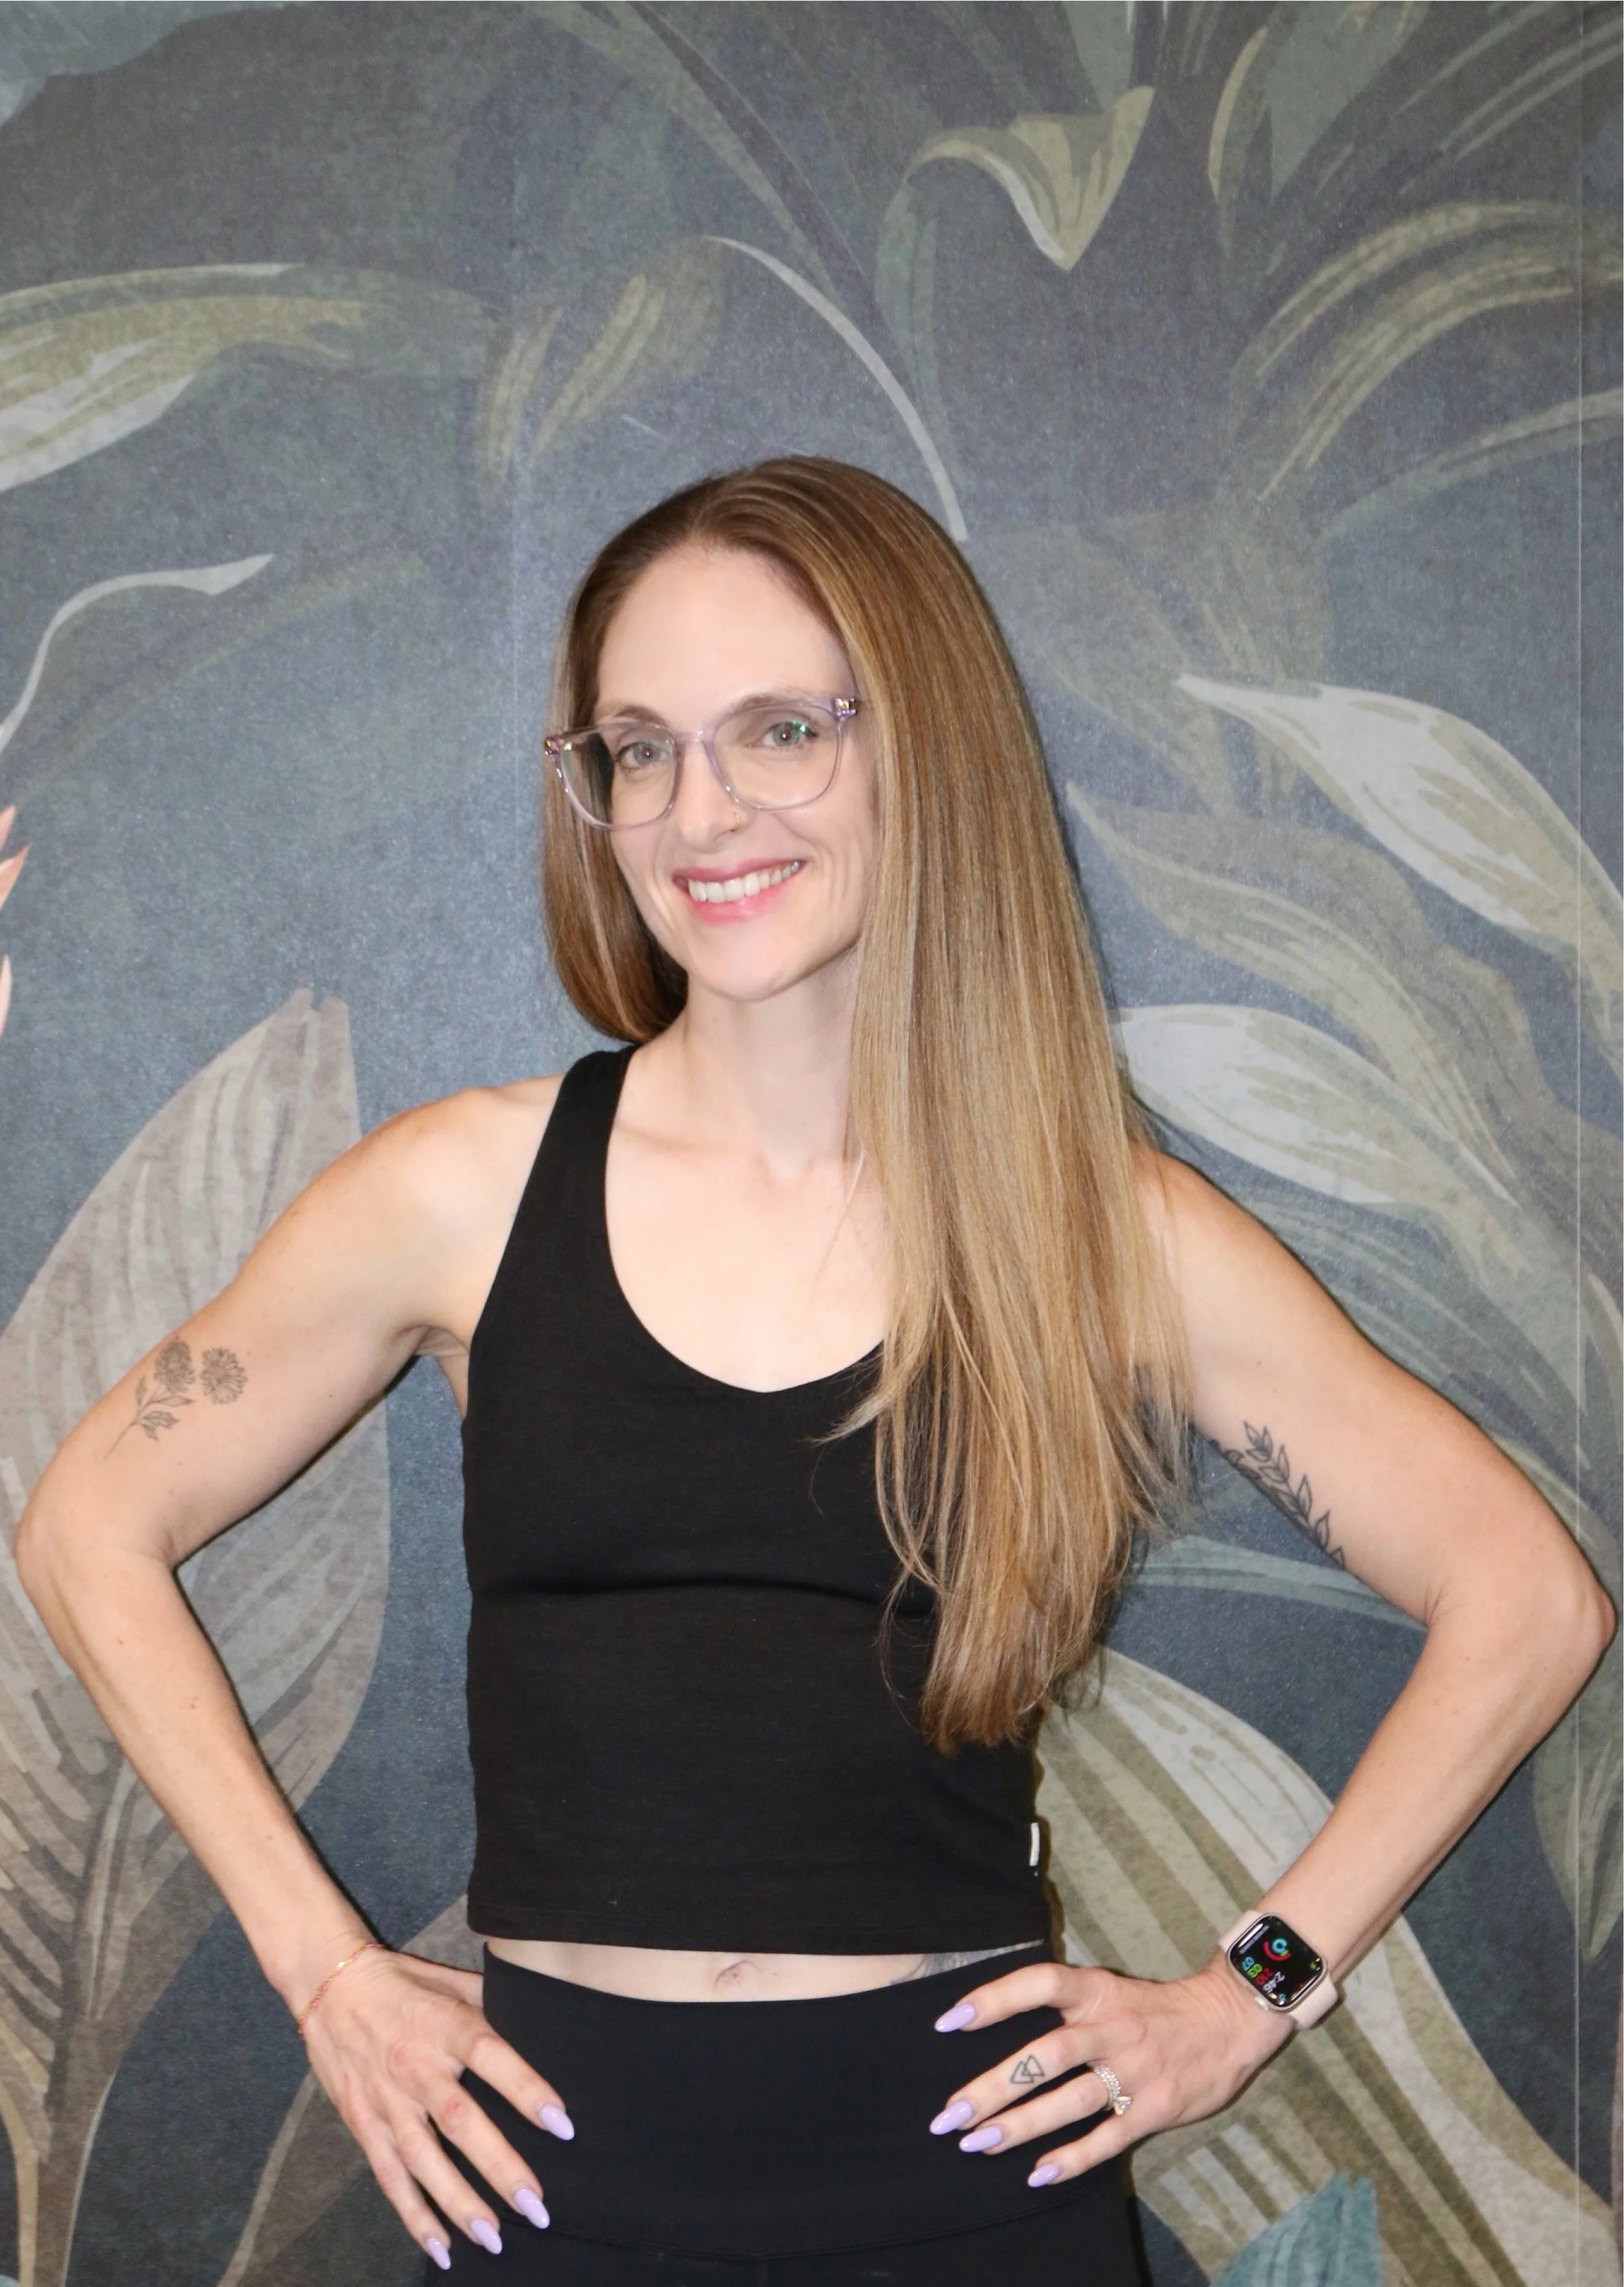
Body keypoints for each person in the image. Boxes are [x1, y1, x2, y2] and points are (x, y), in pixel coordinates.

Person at [17, 458, 1613, 2286]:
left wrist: (1247, 1996)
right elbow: (86, 1526)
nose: (701, 811)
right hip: (542, 2183)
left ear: (913, 745)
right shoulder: (458, 1192)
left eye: (779, 730)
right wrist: (323, 1967)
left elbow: (1522, 1596)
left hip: (960, 2189)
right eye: (639, 748)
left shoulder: (1097, 1225)